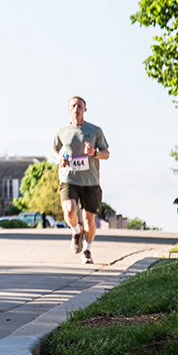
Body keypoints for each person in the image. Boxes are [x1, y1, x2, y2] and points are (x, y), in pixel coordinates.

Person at [50, 96, 110, 264]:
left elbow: (106, 153)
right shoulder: (62, 130)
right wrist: (59, 158)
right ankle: (77, 231)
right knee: (69, 210)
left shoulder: (95, 130)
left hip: (90, 181)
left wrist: (94, 153)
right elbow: (54, 150)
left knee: (89, 219)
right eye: (73, 106)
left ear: (85, 109)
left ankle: (87, 250)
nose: (76, 108)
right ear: (69, 109)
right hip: (69, 178)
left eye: (80, 106)